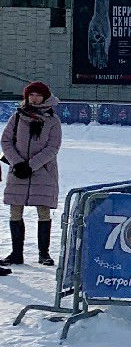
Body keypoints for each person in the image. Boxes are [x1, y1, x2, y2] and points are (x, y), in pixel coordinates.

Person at [3, 80, 62, 267]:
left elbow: (53, 147)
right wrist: (17, 163)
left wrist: (32, 165)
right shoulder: (18, 116)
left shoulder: (52, 120)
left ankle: (43, 253)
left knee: (43, 211)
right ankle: (16, 253)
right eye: (31, 95)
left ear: (45, 97)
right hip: (18, 171)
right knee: (15, 211)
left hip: (43, 172)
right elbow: (6, 141)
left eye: (38, 95)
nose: (34, 98)